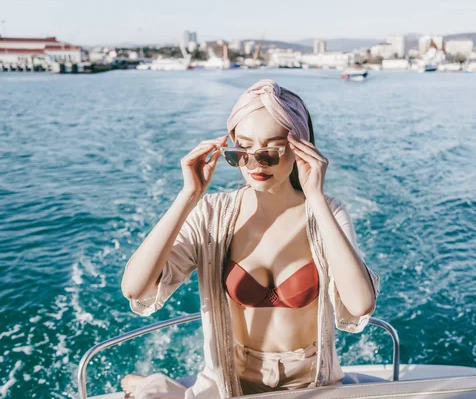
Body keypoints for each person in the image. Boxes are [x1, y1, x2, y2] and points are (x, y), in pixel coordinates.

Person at [120, 79, 381, 398]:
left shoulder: (326, 214)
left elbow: (360, 304)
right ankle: (147, 384)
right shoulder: (211, 215)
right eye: (242, 149)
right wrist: (188, 195)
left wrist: (315, 195)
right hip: (231, 385)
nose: (256, 163)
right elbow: (135, 288)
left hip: (311, 386)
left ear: (301, 147)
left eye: (271, 150)